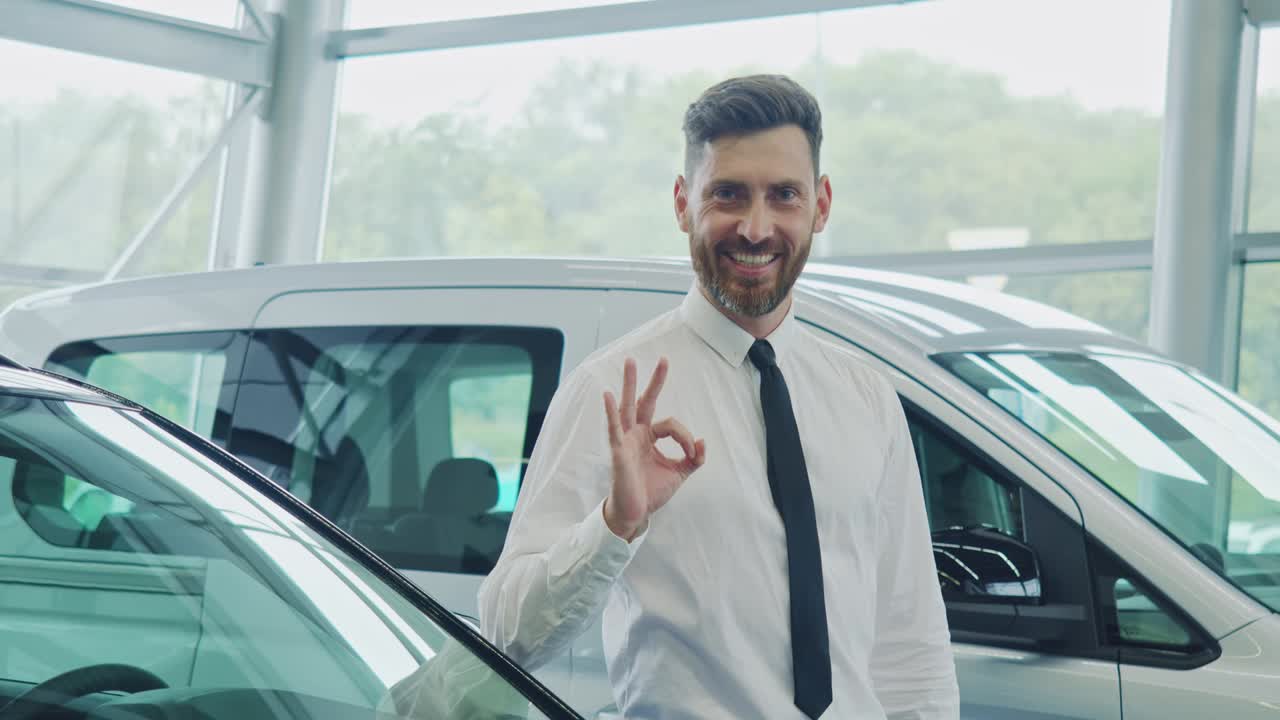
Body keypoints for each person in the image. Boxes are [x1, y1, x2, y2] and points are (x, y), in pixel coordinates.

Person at [479, 74, 959, 719]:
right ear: (683, 203)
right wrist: (614, 526)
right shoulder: (611, 390)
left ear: (820, 205)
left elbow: (910, 643)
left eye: (783, 195)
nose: (756, 228)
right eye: (727, 194)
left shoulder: (866, 397)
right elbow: (506, 636)